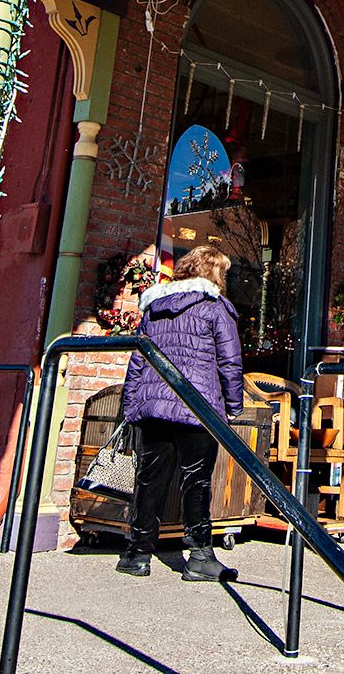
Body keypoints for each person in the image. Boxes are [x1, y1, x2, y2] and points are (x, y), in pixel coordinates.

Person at [116, 244, 245, 581]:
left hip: (154, 405)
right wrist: (233, 407)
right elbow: (229, 363)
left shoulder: (155, 307)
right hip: (197, 405)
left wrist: (131, 406)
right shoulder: (216, 308)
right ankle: (200, 556)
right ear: (214, 273)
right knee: (196, 481)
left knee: (149, 479)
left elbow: (138, 360)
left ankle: (137, 554)